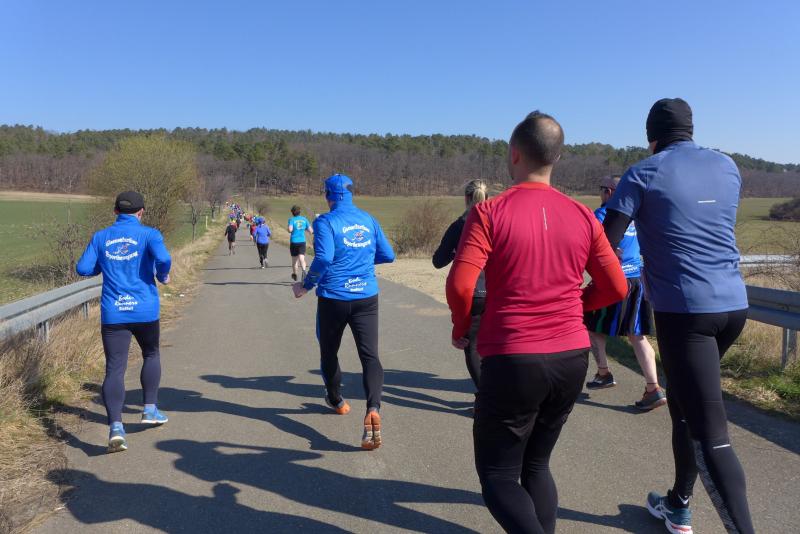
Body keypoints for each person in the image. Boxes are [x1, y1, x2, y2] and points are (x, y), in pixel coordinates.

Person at [446, 112, 627, 534]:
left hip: (513, 357)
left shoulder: (488, 212)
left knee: (498, 476)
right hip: (571, 357)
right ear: (557, 158)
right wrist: (578, 306)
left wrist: (461, 327)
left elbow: (460, 285)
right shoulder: (583, 215)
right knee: (537, 465)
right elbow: (617, 287)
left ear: (514, 154)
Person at [603, 98, 753, 534]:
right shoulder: (728, 166)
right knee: (684, 407)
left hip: (685, 314)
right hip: (733, 306)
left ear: (651, 136)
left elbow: (606, 242)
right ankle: (677, 503)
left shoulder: (643, 172)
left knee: (712, 436)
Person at [292, 174, 395, 450]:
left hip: (333, 298)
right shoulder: (368, 219)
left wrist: (305, 285)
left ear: (328, 195)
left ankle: (336, 400)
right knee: (370, 355)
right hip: (366, 297)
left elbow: (324, 257)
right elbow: (388, 254)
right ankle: (373, 408)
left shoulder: (325, 222)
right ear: (351, 194)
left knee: (329, 353)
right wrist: (361, 260)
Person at [75, 191, 171, 453]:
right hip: (145, 311)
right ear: (141, 212)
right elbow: (164, 259)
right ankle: (149, 409)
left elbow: (83, 268)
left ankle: (116, 428)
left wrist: (102, 265)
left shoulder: (100, 237)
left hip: (114, 312)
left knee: (114, 369)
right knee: (151, 354)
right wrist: (162, 276)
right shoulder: (150, 234)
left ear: (115, 211)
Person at [584, 175, 666, 411]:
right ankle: (653, 387)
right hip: (637, 280)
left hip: (612, 281)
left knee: (590, 324)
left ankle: (604, 373)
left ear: (609, 192)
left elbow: (589, 247)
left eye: (602, 189)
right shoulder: (638, 215)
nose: (600, 193)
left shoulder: (602, 215)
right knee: (636, 334)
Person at [433, 179, 489, 389]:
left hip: (471, 292)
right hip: (495, 291)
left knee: (472, 346)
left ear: (466, 198)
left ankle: (486, 396)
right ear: (487, 198)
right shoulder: (496, 223)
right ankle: (494, 393)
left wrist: (456, 252)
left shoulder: (458, 226)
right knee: (493, 345)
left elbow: (438, 261)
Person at [287, 205, 313, 281]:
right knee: (302, 258)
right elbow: (311, 231)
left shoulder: (291, 219)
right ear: (299, 212)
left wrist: (288, 228)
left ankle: (295, 274)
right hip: (302, 241)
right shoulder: (304, 219)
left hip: (294, 242)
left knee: (294, 260)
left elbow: (290, 230)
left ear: (292, 212)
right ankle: (304, 271)